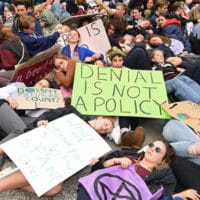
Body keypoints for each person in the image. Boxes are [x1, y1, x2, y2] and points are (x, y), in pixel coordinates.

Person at [77, 140, 178, 199]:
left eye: (158, 150)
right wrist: (116, 160)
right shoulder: (129, 156)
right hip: (97, 190)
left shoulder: (157, 179)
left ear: (162, 161)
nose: (152, 148)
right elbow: (100, 168)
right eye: (151, 145)